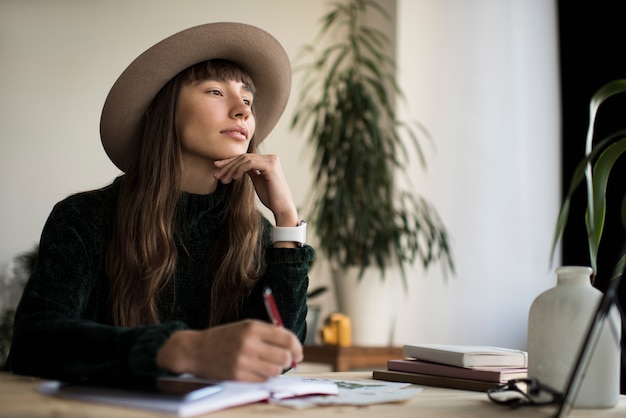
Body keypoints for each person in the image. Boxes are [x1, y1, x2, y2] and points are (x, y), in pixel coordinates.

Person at [6, 22, 315, 383]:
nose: (242, 111)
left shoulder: (258, 235)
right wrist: (179, 349)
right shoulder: (84, 219)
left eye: (247, 100)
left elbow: (282, 355)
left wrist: (286, 221)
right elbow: (35, 344)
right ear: (161, 109)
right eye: (216, 91)